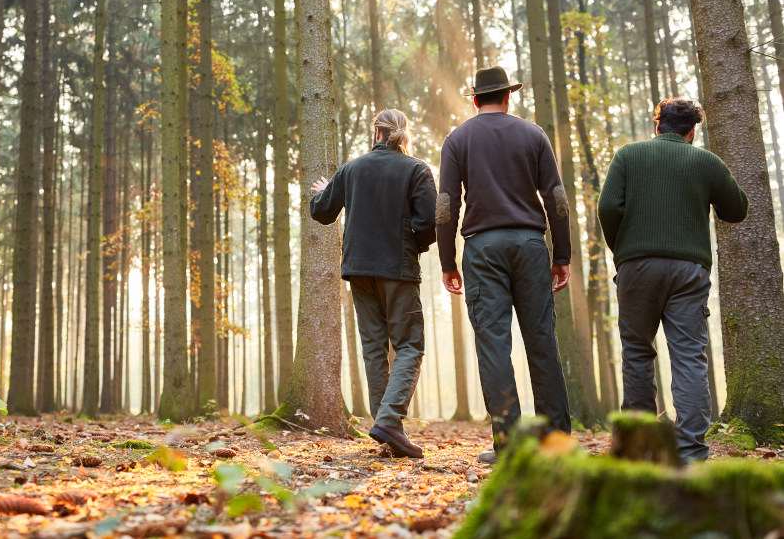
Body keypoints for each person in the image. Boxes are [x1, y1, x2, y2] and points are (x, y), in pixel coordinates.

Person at [598, 98, 747, 463]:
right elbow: (737, 209)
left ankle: (639, 447)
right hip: (688, 270)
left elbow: (607, 208)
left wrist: (626, 250)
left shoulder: (628, 156)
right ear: (692, 130)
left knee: (636, 353)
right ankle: (691, 451)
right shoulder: (705, 161)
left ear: (657, 125)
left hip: (637, 268)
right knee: (688, 358)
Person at [436, 66, 572, 462]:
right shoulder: (533, 135)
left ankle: (509, 447)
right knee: (542, 342)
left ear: (475, 99)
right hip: (530, 245)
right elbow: (558, 199)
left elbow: (446, 206)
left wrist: (448, 261)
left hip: (482, 249)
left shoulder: (457, 139)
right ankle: (557, 443)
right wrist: (560, 255)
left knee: (494, 346)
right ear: (508, 97)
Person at [310, 109, 437, 458]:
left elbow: (322, 212)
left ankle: (386, 427)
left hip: (358, 269)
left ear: (375, 132)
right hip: (397, 268)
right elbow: (428, 223)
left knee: (373, 348)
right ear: (401, 133)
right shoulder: (417, 169)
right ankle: (390, 421)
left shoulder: (351, 169)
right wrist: (415, 245)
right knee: (410, 345)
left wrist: (325, 190)